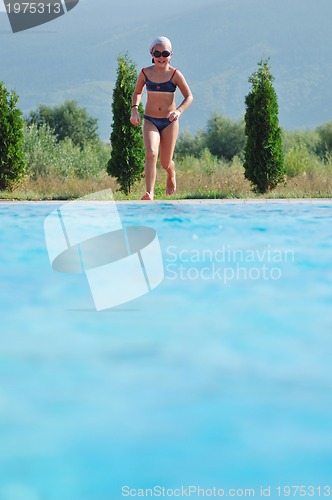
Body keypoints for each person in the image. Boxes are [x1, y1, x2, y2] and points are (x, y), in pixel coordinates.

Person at [130, 36, 193, 200]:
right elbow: (137, 92)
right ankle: (150, 192)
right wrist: (135, 110)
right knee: (151, 153)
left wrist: (178, 111)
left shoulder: (175, 74)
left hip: (170, 122)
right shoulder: (145, 72)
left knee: (165, 162)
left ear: (171, 55)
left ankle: (171, 172)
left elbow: (189, 96)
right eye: (157, 53)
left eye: (165, 53)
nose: (161, 57)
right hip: (151, 119)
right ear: (151, 54)